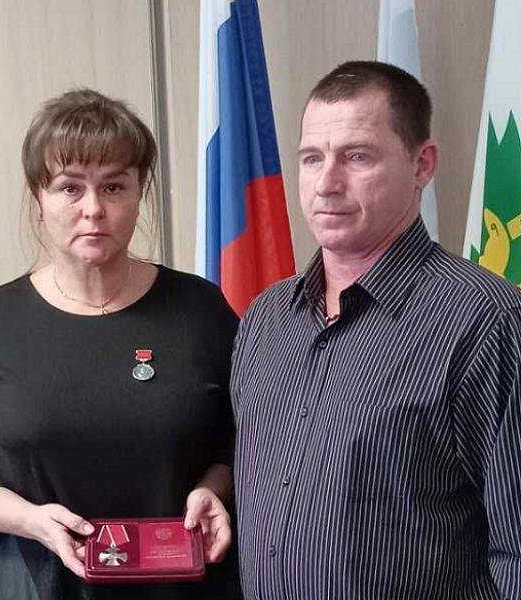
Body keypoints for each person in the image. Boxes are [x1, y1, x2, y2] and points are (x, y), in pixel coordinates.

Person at [0, 88, 242, 600]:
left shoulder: (201, 310)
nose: (93, 209)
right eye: (70, 188)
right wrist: (30, 520)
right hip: (40, 583)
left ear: (140, 192)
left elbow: (244, 440)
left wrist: (213, 489)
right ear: (39, 197)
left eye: (114, 187)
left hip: (188, 586)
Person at [231, 60, 521, 599]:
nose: (327, 183)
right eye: (312, 158)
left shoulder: (485, 318)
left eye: (357, 156)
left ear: (422, 164)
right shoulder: (265, 319)